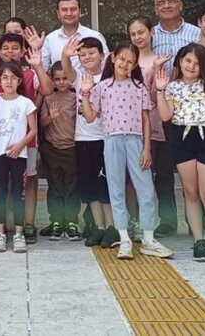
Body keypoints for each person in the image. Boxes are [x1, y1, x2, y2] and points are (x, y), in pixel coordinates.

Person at [82, 41, 174, 260]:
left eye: (130, 61)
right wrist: (85, 93)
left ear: (135, 65)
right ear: (113, 58)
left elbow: (146, 120)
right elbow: (90, 116)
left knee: (146, 190)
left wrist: (147, 148)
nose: (125, 64)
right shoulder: (102, 87)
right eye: (122, 59)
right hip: (111, 141)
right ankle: (124, 239)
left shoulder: (139, 87)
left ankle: (148, 239)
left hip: (135, 141)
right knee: (116, 191)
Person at [154, 43, 205, 262]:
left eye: (197, 63)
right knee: (190, 192)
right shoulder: (173, 86)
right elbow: (165, 116)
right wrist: (160, 90)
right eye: (188, 60)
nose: (191, 66)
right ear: (180, 61)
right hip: (182, 139)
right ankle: (199, 239)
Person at [0, 33, 52, 243]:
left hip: (26, 142)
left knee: (27, 182)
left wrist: (38, 65)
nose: (10, 52)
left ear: (22, 51)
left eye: (15, 47)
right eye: (6, 48)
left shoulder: (31, 74)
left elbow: (47, 89)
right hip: (0, 145)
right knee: (3, 185)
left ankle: (26, 225)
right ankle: (2, 228)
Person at [63, 36, 115, 247]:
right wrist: (66, 54)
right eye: (82, 54)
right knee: (90, 186)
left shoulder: (109, 77)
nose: (87, 57)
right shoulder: (79, 77)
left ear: (102, 55)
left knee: (105, 185)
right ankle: (99, 227)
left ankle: (112, 227)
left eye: (92, 53)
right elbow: (67, 68)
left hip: (104, 138)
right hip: (82, 138)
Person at [0, 62, 37, 254]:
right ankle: (0, 232)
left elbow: (33, 130)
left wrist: (20, 145)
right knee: (0, 191)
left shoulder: (25, 102)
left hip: (18, 153)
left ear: (19, 81)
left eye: (13, 77)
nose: (9, 81)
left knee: (18, 192)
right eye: (4, 77)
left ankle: (19, 233)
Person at [128, 16, 176, 237]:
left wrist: (157, 70)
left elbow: (157, 98)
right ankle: (138, 219)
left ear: (151, 32)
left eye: (141, 32)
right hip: (132, 126)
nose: (138, 37)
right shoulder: (127, 62)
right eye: (133, 34)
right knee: (137, 175)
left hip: (158, 124)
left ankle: (168, 220)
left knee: (163, 174)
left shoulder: (160, 60)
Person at [39, 62, 79, 241]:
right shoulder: (48, 98)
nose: (62, 82)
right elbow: (41, 122)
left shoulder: (76, 96)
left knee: (72, 187)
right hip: (52, 148)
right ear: (52, 80)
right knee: (54, 186)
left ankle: (71, 221)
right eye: (57, 79)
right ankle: (56, 221)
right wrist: (51, 117)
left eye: (65, 78)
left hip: (72, 148)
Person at [40, 0, 108, 72]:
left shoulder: (95, 36)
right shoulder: (50, 39)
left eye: (73, 9)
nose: (69, 13)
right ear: (58, 14)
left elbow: (106, 66)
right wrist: (37, 49)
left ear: (80, 12)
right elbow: (42, 70)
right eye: (64, 10)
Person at [151, 0, 201, 72]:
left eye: (171, 1)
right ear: (156, 10)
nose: (166, 6)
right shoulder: (150, 35)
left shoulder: (197, 33)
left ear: (180, 5)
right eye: (161, 3)